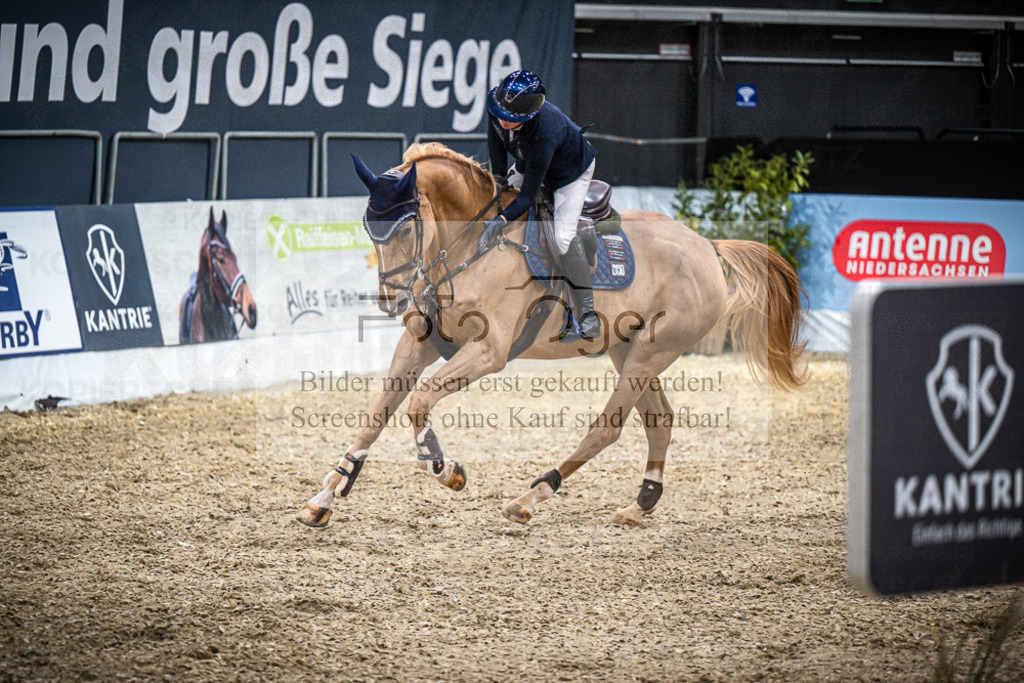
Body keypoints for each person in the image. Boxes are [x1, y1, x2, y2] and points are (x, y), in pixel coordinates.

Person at [477, 70, 601, 340]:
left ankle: (588, 313)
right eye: (500, 114)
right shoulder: (497, 107)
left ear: (529, 117)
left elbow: (528, 195)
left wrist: (501, 221)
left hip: (570, 173)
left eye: (510, 119)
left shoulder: (545, 133)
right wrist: (498, 179)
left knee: (562, 238)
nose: (502, 120)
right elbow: (496, 143)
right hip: (529, 158)